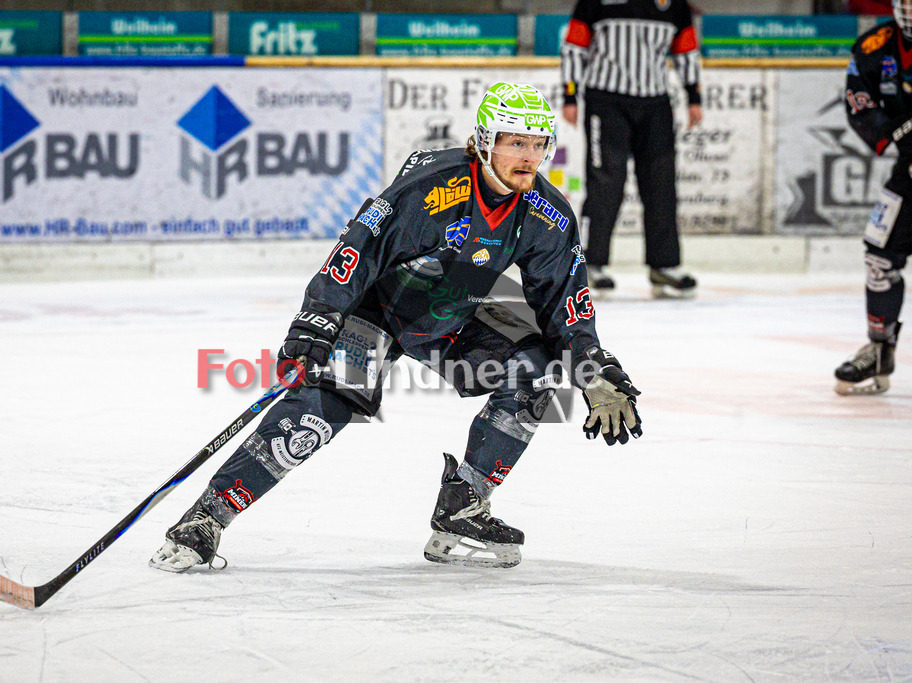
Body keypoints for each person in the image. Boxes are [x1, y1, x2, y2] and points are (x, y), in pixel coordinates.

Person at [149, 82, 643, 573]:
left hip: (455, 307)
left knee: (534, 371)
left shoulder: (547, 215)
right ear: (485, 141)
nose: (529, 156)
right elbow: (358, 251)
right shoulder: (433, 185)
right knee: (324, 407)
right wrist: (318, 320)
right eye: (517, 142)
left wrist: (592, 367)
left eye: (539, 144)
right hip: (378, 307)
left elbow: (564, 305)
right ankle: (208, 518)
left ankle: (462, 507)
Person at [560, 0, 702, 298]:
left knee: (661, 183)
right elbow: (575, 47)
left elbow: (686, 49)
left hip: (656, 103)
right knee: (605, 183)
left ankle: (664, 266)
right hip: (606, 100)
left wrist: (693, 96)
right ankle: (590, 262)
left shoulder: (673, 4)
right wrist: (570, 95)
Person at [834, 0, 911, 395]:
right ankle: (881, 350)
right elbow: (858, 101)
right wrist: (900, 133)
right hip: (911, 169)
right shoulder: (874, 47)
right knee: (879, 258)